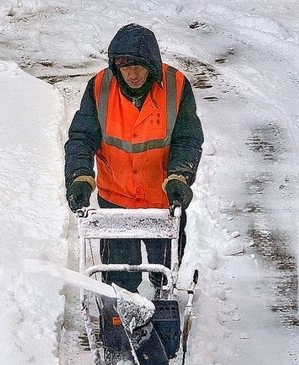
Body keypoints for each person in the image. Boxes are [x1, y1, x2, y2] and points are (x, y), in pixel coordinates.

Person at [64, 23, 204, 294]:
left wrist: (180, 176)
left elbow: (188, 138)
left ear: (152, 64)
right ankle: (125, 307)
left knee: (164, 267)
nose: (133, 73)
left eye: (140, 65)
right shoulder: (99, 88)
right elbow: (81, 137)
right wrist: (80, 176)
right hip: (115, 197)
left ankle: (162, 291)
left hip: (163, 198)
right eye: (126, 66)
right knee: (119, 275)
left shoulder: (175, 86)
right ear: (116, 66)